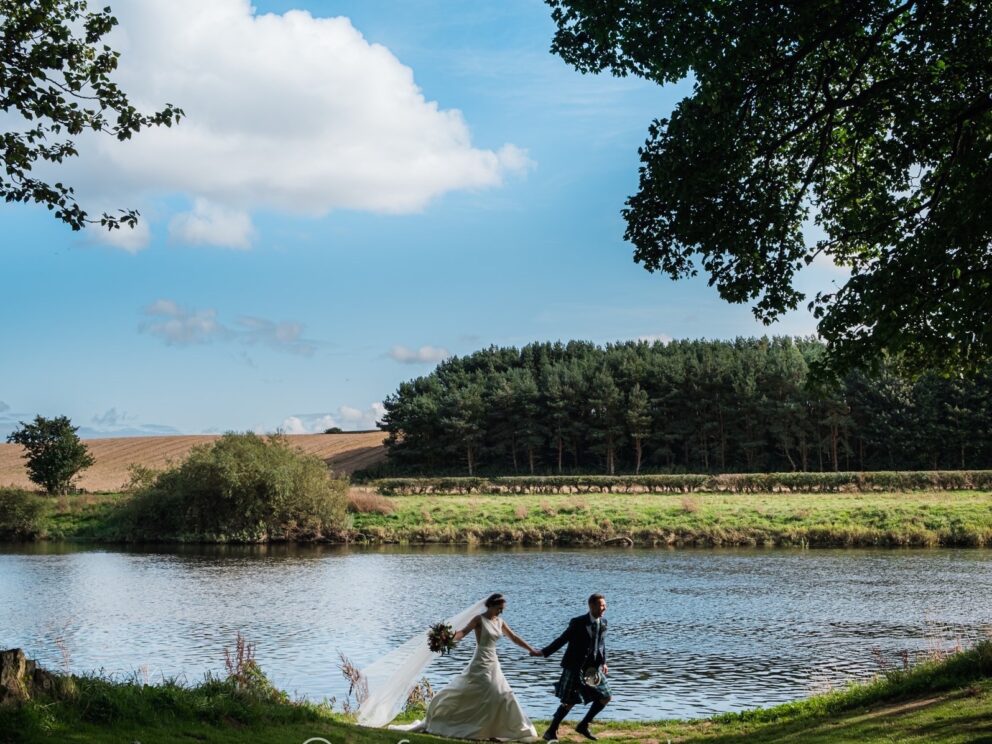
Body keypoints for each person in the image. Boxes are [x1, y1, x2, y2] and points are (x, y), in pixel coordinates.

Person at [394, 593, 540, 741]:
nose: (500, 612)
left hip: (493, 661)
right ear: (490, 605)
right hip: (480, 660)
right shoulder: (479, 620)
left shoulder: (500, 622)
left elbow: (514, 638)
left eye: (502, 609)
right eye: (499, 608)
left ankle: (496, 727)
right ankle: (448, 719)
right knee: (480, 690)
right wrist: (446, 638)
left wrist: (531, 649)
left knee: (502, 693)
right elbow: (463, 633)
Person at [533, 593, 611, 742]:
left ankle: (583, 725)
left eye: (604, 605)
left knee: (605, 696)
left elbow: (601, 645)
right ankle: (551, 731)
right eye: (601, 605)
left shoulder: (604, 622)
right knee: (570, 700)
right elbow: (562, 639)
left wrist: (604, 662)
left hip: (592, 669)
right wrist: (543, 652)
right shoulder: (578, 622)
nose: (604, 608)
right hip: (575, 666)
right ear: (591, 605)